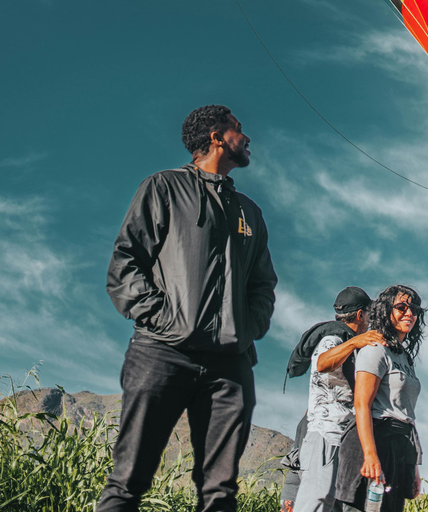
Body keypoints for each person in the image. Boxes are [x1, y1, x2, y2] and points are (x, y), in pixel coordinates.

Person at [98, 104, 278, 512]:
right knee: (128, 481)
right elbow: (125, 265)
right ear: (216, 136)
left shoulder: (250, 212)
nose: (247, 137)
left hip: (229, 367)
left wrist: (243, 332)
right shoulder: (163, 187)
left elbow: (262, 285)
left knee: (220, 493)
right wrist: (167, 322)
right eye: (238, 128)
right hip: (161, 353)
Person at [335, 285, 426, 512]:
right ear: (386, 311)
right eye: (401, 307)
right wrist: (370, 455)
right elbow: (362, 404)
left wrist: (412, 467)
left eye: (413, 308)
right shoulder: (376, 348)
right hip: (375, 440)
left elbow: (405, 412)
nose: (409, 313)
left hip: (401, 445)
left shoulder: (404, 357)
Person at [293, 287, 385, 512]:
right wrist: (356, 342)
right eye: (369, 313)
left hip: (339, 437)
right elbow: (323, 363)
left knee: (331, 505)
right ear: (360, 315)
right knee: (315, 502)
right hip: (325, 433)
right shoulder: (334, 336)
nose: (371, 319)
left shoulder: (346, 340)